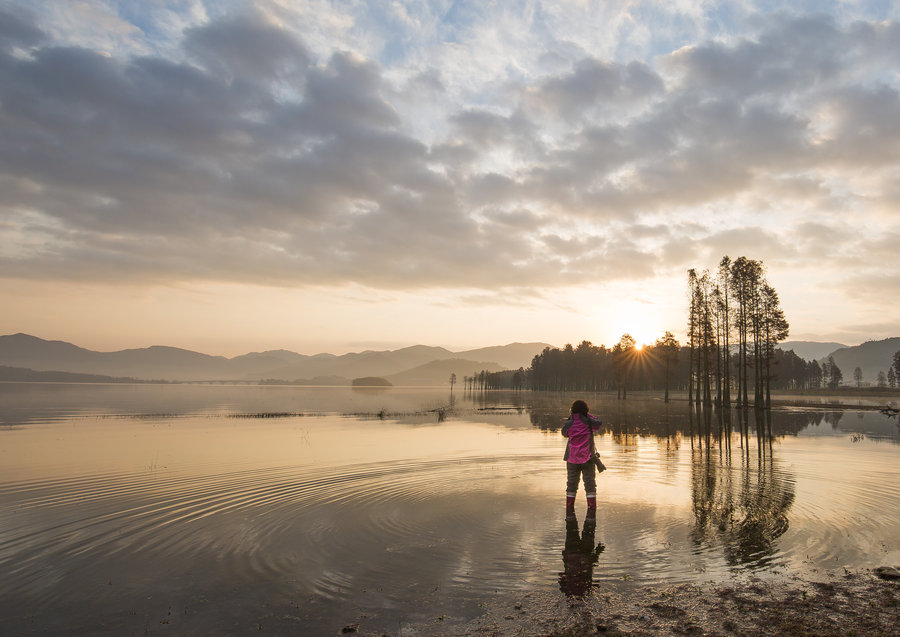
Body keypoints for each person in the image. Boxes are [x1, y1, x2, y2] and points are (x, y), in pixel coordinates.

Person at [562, 400, 602, 516]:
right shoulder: (589, 422)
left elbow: (564, 434)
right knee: (590, 484)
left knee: (571, 484)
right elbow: (599, 423)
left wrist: (573, 418)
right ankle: (592, 510)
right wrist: (587, 415)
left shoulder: (569, 423)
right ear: (586, 410)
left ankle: (569, 510)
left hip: (572, 459)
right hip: (588, 459)